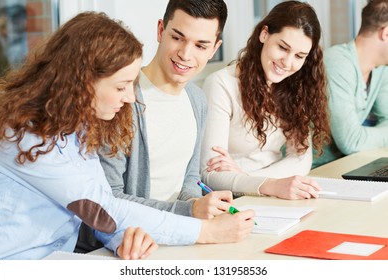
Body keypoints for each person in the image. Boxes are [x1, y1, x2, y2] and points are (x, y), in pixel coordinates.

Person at [0, 11, 254, 260]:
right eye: (121, 87)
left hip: (58, 259)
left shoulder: (77, 129)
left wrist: (122, 239)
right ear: (81, 82)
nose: (130, 98)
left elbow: (102, 207)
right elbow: (99, 207)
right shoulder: (23, 135)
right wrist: (206, 232)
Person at [99, 0, 234, 219]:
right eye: (177, 37)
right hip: (130, 238)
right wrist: (189, 210)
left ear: (214, 49)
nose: (185, 54)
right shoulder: (121, 99)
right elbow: (109, 199)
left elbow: (189, 178)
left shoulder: (197, 100)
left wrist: (197, 203)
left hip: (178, 230)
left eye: (200, 46)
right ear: (161, 30)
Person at [200, 1, 330, 200]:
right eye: (282, 48)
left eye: (299, 56)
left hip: (273, 193)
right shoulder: (221, 85)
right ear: (264, 34)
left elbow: (301, 159)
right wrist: (269, 184)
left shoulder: (294, 86)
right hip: (233, 199)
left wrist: (249, 178)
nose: (287, 63)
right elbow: (209, 175)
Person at [312, 0, 388, 168]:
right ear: (385, 33)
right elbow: (350, 141)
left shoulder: (381, 68)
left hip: (346, 163)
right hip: (312, 170)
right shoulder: (337, 62)